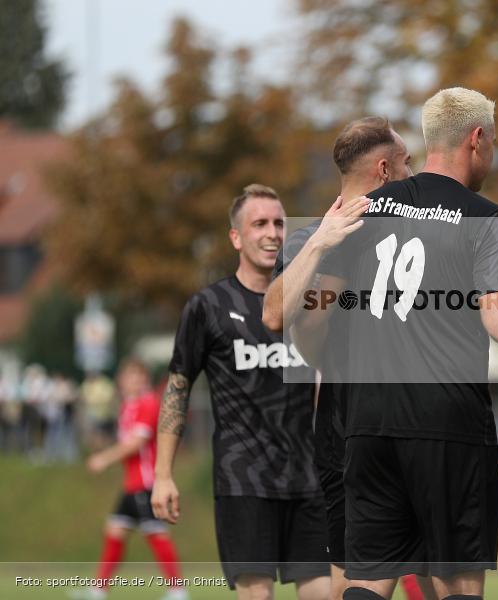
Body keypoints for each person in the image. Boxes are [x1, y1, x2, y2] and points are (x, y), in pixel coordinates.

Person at [288, 87, 498, 600]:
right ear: (477, 139)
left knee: (367, 582)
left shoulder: (362, 210)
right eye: (494, 142)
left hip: (367, 426)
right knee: (457, 584)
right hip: (447, 425)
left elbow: (314, 314)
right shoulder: (489, 218)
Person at [263, 116, 432, 600]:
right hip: (359, 427)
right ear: (383, 170)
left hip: (384, 423)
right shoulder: (312, 239)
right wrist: (320, 241)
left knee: (377, 574)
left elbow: (310, 331)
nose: (413, 173)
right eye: (406, 163)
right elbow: (279, 314)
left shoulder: (415, 235)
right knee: (378, 575)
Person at [151, 184, 330, 600]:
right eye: (260, 224)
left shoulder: (310, 304)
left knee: (326, 593)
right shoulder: (208, 306)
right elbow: (178, 388)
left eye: (280, 223)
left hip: (309, 480)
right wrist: (162, 476)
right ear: (236, 237)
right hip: (243, 480)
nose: (273, 233)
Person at [73, 358, 187, 600]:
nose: (133, 380)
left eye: (139, 376)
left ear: (144, 379)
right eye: (129, 375)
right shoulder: (127, 406)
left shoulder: (148, 403)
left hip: (147, 482)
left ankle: (178, 590)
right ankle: (99, 590)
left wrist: (104, 458)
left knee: (156, 533)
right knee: (115, 531)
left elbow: (137, 443)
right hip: (131, 484)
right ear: (121, 380)